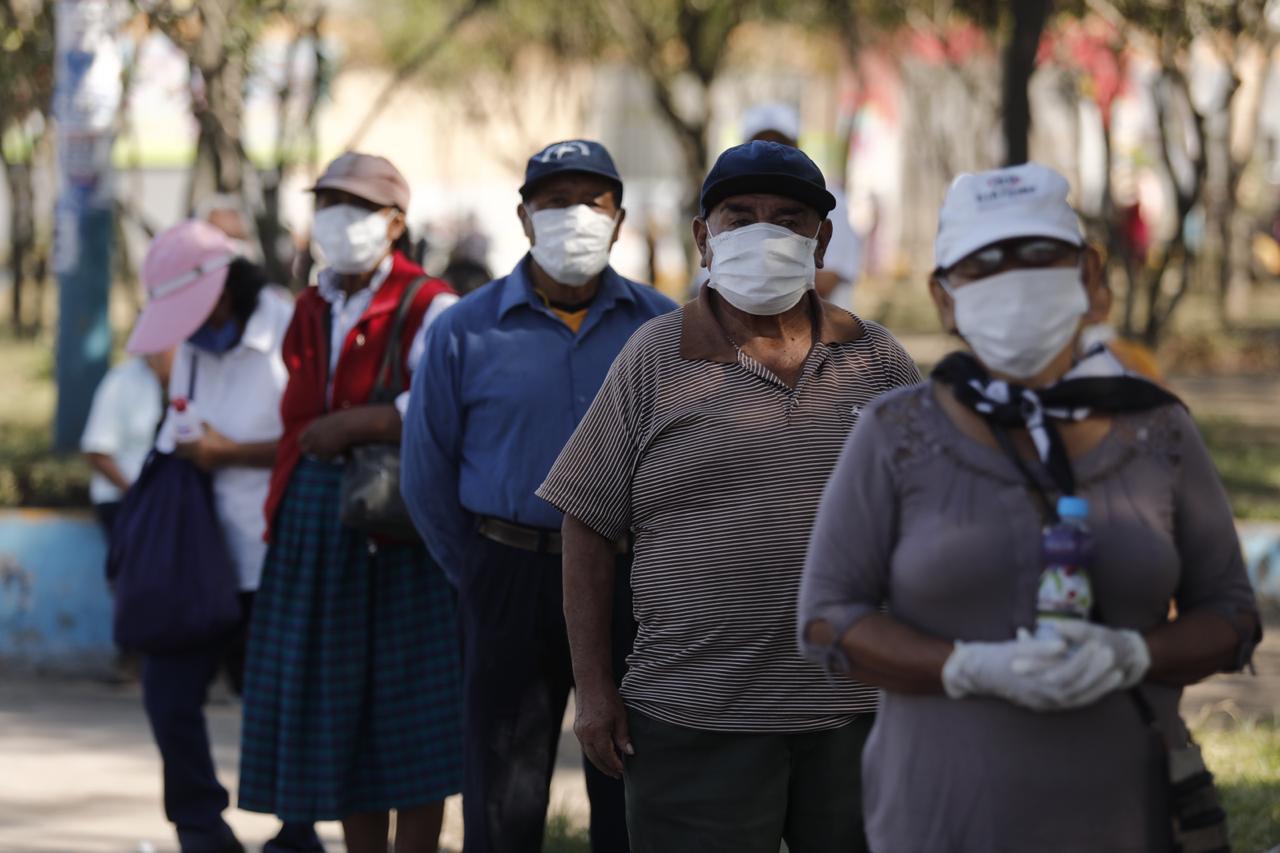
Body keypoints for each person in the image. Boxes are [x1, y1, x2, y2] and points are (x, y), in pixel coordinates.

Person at [798, 162, 1262, 852]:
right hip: (940, 820)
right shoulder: (896, 432)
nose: (1014, 278)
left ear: (1090, 277)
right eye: (985, 263)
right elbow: (826, 621)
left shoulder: (1158, 430)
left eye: (1040, 254)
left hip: (1128, 819)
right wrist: (964, 666)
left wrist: (1137, 653)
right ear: (945, 296)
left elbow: (1232, 616)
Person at [535, 141, 921, 852]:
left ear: (822, 237)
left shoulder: (878, 359)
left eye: (789, 217)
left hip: (856, 716)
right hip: (692, 720)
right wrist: (592, 689)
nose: (763, 233)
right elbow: (585, 521)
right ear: (703, 236)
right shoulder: (653, 356)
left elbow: (933, 520)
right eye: (739, 216)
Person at [402, 139, 677, 853]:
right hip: (508, 571)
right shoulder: (466, 328)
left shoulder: (665, 328)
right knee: (502, 789)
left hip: (629, 577)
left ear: (620, 218)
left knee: (633, 781)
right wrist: (478, 574)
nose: (574, 217)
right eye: (554, 203)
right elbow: (426, 472)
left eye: (592, 201)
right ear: (524, 218)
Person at [237, 152, 462, 853]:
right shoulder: (311, 304)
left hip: (400, 532)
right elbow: (294, 415)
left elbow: (443, 405)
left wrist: (357, 423)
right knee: (345, 716)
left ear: (395, 223)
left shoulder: (434, 305)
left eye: (357, 207)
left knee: (413, 715)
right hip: (316, 528)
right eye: (329, 202)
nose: (339, 219)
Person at [126, 220, 320, 853]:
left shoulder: (292, 329)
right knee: (167, 694)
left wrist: (230, 453)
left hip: (275, 558)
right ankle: (200, 827)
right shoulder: (187, 348)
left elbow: (315, 440)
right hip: (200, 563)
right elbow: (178, 432)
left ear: (225, 292)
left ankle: (297, 833)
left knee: (284, 708)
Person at [81, 347, 172, 539]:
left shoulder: (185, 381)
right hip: (123, 502)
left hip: (163, 505)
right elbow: (96, 451)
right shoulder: (121, 382)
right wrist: (136, 495)